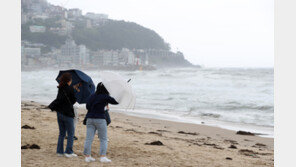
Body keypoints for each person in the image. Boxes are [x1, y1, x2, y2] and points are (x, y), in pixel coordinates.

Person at [83, 82, 118, 163]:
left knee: (89, 139)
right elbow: (115, 102)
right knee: (103, 139)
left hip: (89, 119)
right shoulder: (105, 96)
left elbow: (87, 106)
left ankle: (87, 156)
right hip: (100, 119)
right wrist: (120, 95)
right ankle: (102, 157)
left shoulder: (92, 95)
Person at [51, 73, 78, 158]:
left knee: (62, 133)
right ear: (69, 80)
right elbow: (73, 101)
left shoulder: (60, 87)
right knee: (70, 133)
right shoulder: (70, 88)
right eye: (71, 79)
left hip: (59, 113)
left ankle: (59, 152)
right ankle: (68, 152)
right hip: (67, 114)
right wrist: (75, 91)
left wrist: (74, 89)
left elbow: (61, 99)